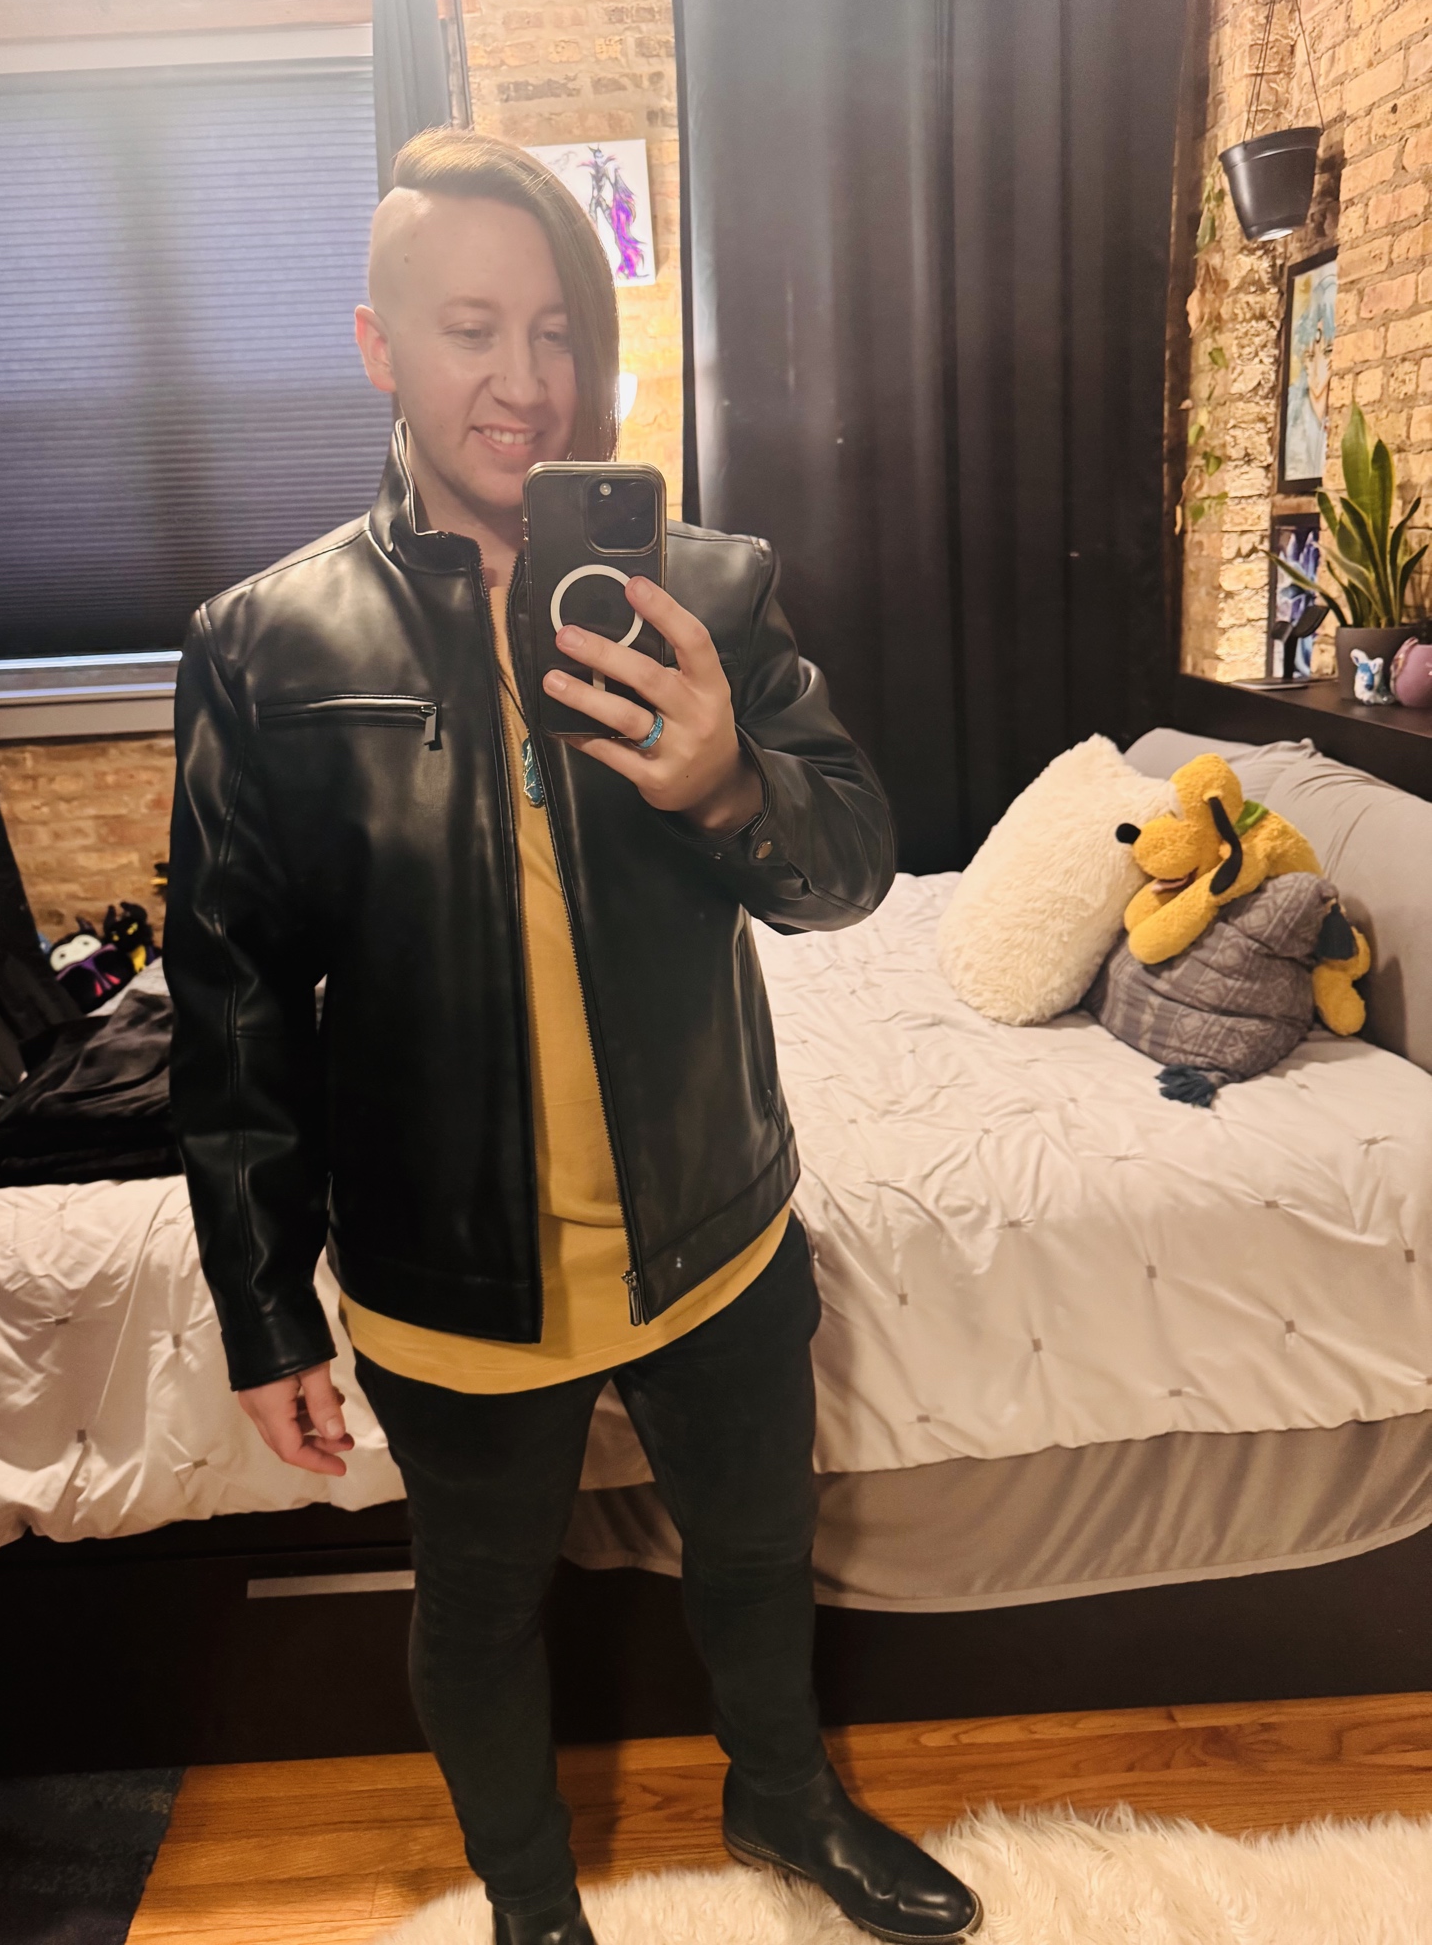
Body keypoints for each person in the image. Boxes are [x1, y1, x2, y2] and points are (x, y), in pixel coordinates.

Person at [166, 127, 982, 1945]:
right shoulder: (267, 646)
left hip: (715, 1220)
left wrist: (733, 785)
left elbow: (853, 868)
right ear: (380, 346)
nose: (523, 382)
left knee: (757, 1552)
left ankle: (784, 1804)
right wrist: (263, 1302)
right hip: (446, 1275)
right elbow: (230, 1002)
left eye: (555, 333)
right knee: (476, 1606)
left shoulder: (710, 589)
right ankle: (531, 1902)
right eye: (470, 330)